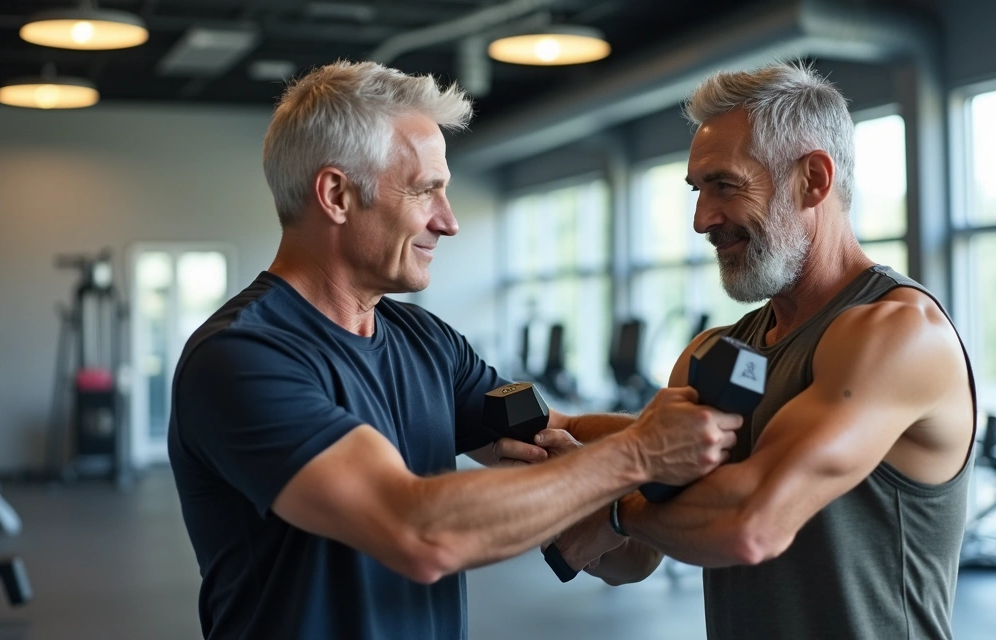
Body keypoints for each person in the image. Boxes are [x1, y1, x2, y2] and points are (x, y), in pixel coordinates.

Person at [166, 60, 739, 640]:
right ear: (336, 194)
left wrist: (709, 438)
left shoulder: (428, 343)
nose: (449, 222)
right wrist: (640, 454)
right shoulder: (241, 357)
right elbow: (416, 530)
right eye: (425, 191)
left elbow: (549, 433)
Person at [541, 62, 976, 640]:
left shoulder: (896, 332)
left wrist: (614, 507)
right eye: (698, 191)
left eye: (725, 184)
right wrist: (571, 495)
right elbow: (633, 560)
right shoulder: (716, 350)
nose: (702, 220)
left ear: (813, 181)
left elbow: (751, 524)